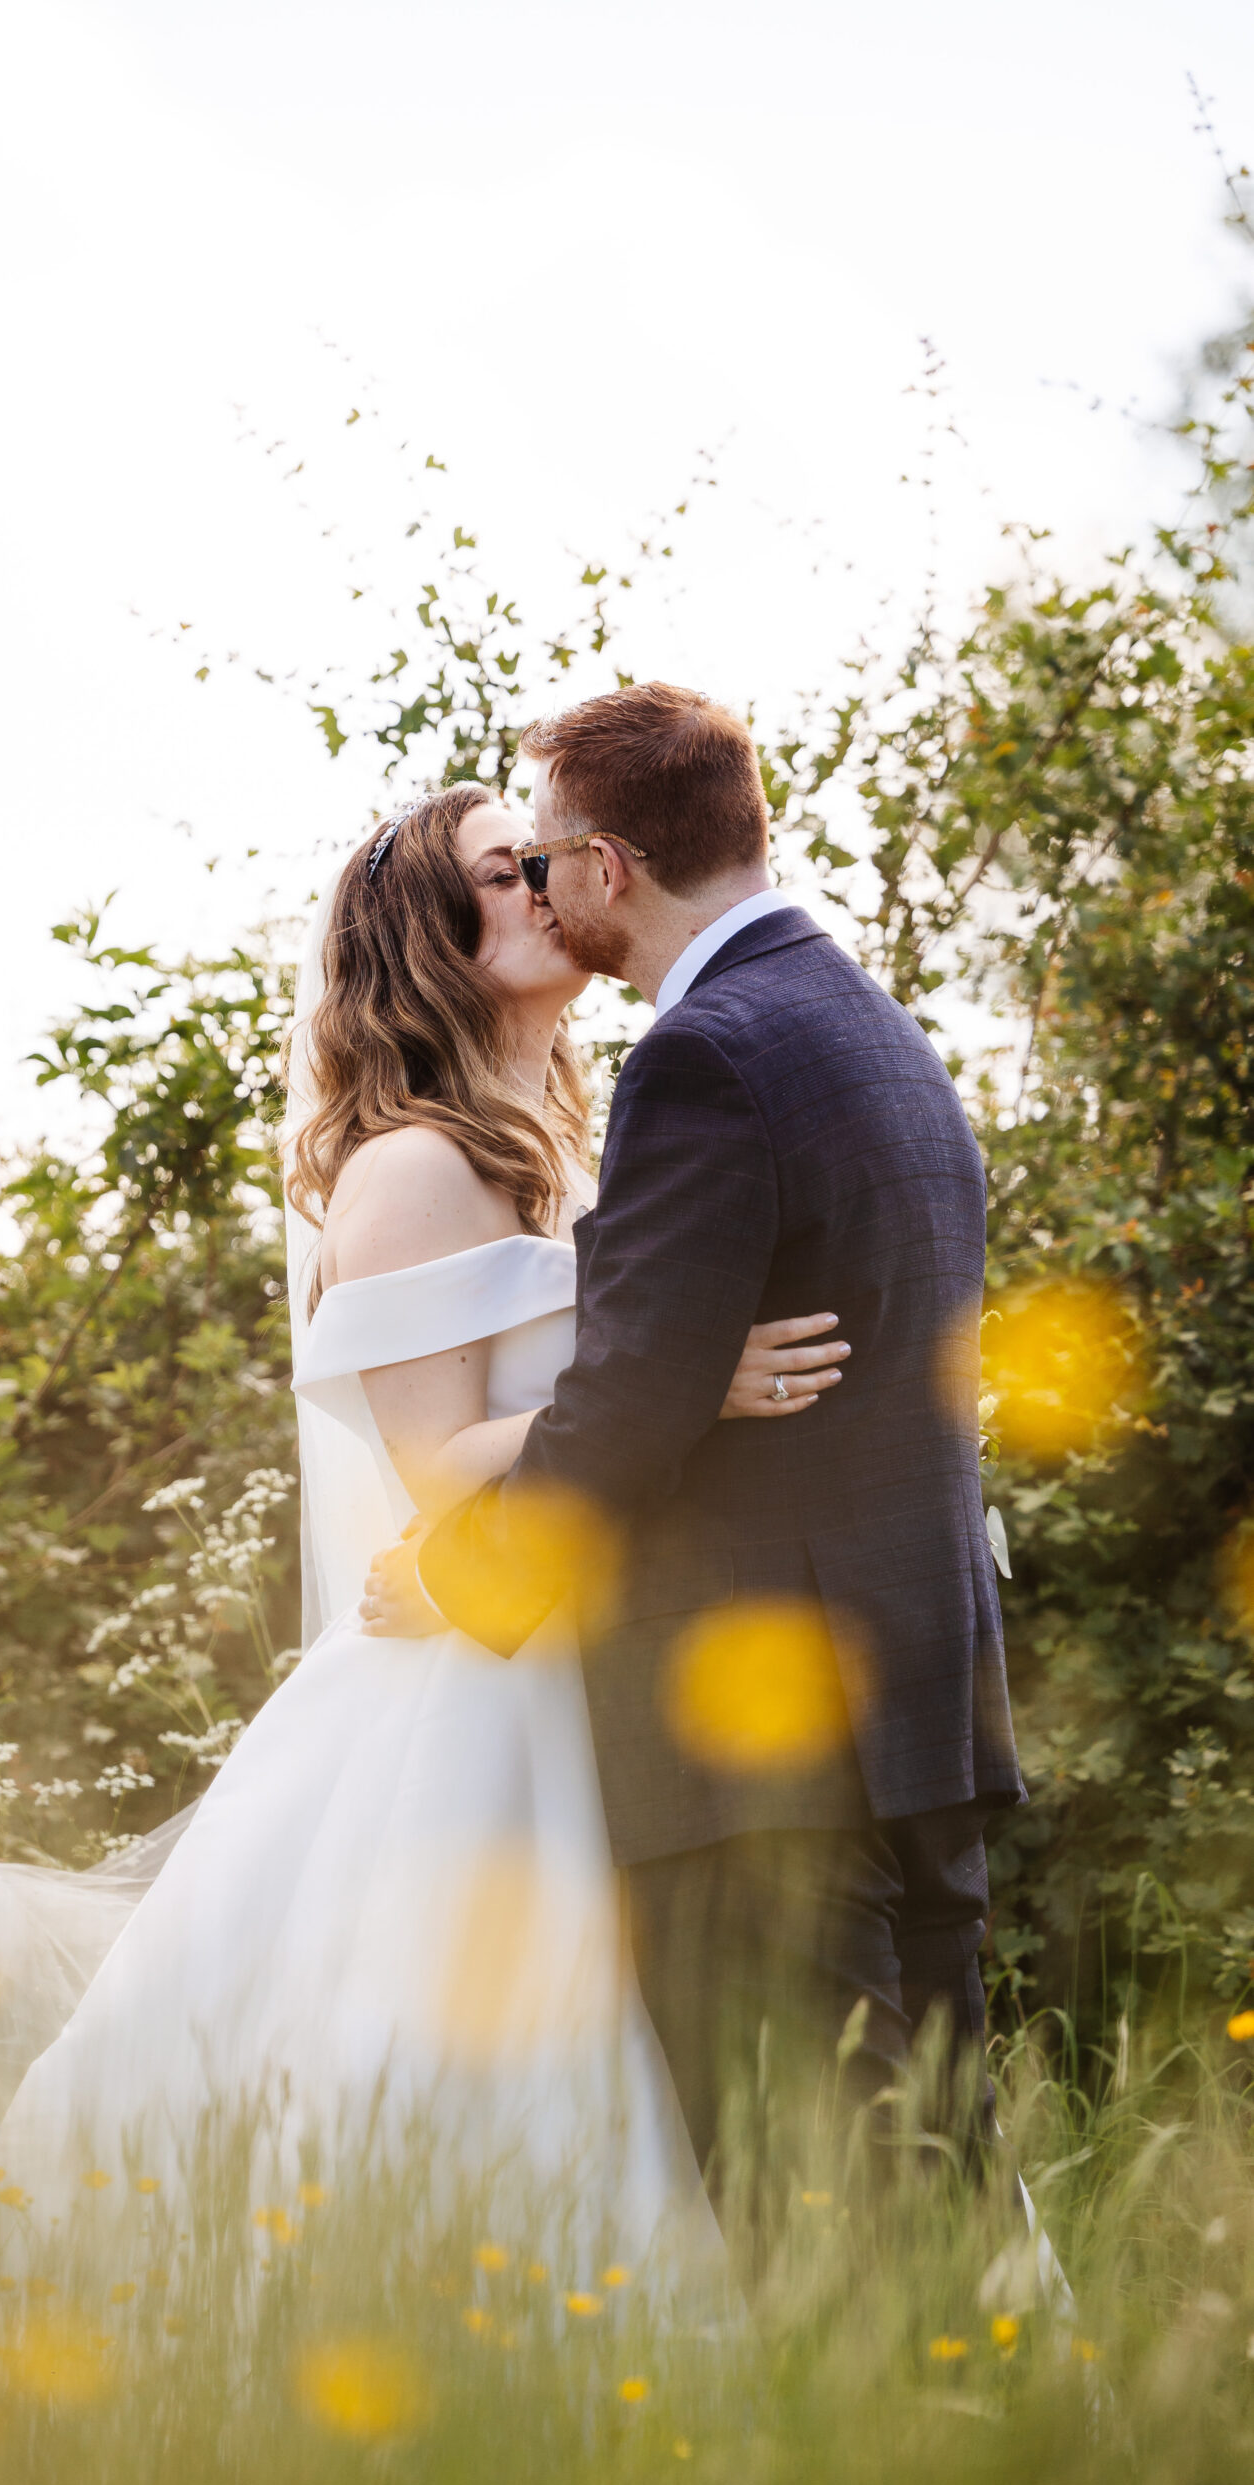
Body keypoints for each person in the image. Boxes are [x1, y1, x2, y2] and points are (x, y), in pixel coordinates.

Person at [0, 777, 855, 2406]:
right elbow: (442, 1462)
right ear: (428, 941)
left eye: (543, 861)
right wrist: (689, 1388)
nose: (548, 885)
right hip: (467, 1705)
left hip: (572, 1651)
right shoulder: (411, 1169)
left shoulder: (579, 1135)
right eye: (507, 874)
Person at [363, 683, 1026, 2206]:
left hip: (763, 1754)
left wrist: (463, 1577)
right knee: (929, 2195)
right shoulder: (865, 1026)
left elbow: (625, 1411)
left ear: (604, 866)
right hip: (910, 1716)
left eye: (536, 860)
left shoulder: (703, 1056)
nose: (532, 886)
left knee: (824, 2225)